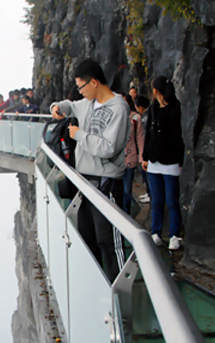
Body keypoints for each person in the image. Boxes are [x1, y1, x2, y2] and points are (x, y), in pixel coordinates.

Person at [50, 59, 130, 282]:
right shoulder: (87, 104)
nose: (80, 92)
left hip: (106, 183)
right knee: (88, 239)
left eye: (81, 87)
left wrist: (79, 135)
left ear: (94, 82)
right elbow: (68, 105)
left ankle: (121, 299)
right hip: (83, 182)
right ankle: (98, 289)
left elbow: (109, 147)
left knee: (109, 241)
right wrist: (57, 108)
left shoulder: (119, 108)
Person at [142, 76, 185, 250]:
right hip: (154, 160)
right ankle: (156, 232)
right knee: (157, 199)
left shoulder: (175, 108)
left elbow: (178, 136)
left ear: (156, 90)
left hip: (171, 160)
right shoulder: (153, 109)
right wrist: (145, 157)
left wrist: (180, 159)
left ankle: (175, 234)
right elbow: (149, 135)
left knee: (172, 199)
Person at [122, 94, 144, 214]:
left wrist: (141, 156)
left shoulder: (135, 118)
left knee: (127, 189)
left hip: (130, 158)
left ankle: (126, 215)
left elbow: (140, 138)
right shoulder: (113, 116)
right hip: (115, 160)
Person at [135, 96, 151, 203]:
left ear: (140, 107)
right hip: (147, 149)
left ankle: (150, 194)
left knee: (148, 175)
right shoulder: (148, 115)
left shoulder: (145, 118)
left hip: (147, 150)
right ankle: (149, 193)